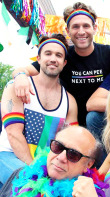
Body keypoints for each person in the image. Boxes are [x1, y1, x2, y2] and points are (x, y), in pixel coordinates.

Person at [12, 2, 110, 127]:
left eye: (86, 26)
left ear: (95, 28)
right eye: (75, 27)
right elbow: (24, 70)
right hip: (71, 121)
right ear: (68, 31)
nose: (81, 31)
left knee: (94, 118)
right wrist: (19, 76)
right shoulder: (62, 56)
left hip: (103, 120)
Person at [0, 34, 78, 188]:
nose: (53, 59)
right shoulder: (17, 86)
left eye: (58, 55)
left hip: (46, 164)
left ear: (64, 62)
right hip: (8, 155)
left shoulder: (70, 101)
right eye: (48, 54)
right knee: (30, 187)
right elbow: (13, 134)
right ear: (39, 59)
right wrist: (37, 174)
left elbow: (71, 142)